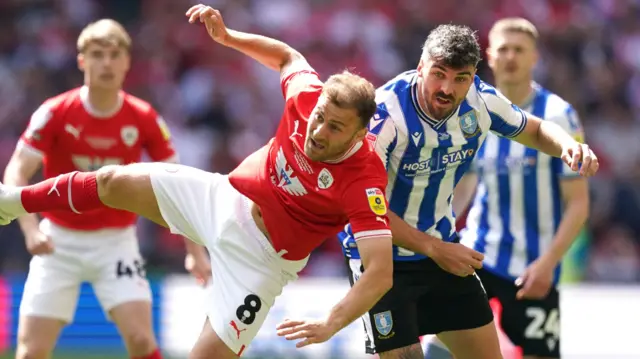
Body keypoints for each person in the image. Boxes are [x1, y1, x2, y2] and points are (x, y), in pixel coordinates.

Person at [0, 4, 394, 359]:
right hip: (223, 199)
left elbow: (379, 272)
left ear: (359, 136)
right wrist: (228, 37)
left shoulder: (364, 179)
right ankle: (12, 201)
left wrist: (330, 322)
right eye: (320, 116)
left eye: (335, 127)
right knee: (109, 180)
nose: (319, 131)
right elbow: (288, 56)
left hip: (261, 263)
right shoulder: (308, 95)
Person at [338, 23, 598, 359]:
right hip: (380, 259)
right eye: (438, 74)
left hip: (441, 253)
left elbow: (533, 129)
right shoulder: (385, 116)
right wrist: (435, 248)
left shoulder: (481, 101)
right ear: (421, 68)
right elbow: (363, 210)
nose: (447, 88)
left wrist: (567, 146)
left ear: (473, 76)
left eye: (460, 78)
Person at [1, 19, 213, 359]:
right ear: (82, 61)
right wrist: (29, 230)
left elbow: (179, 184)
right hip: (57, 241)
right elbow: (16, 170)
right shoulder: (54, 113)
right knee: (30, 351)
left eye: (115, 55)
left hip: (116, 243)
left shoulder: (143, 117)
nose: (107, 63)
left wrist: (195, 252)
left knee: (143, 343)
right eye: (97, 54)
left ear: (127, 62)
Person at [424, 18, 589, 359]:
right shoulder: (473, 111)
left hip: (534, 267)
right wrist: (440, 235)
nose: (511, 56)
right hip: (480, 253)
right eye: (503, 49)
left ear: (535, 58)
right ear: (490, 57)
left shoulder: (558, 116)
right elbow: (467, 182)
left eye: (520, 49)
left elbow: (578, 204)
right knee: (438, 344)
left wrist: (549, 264)